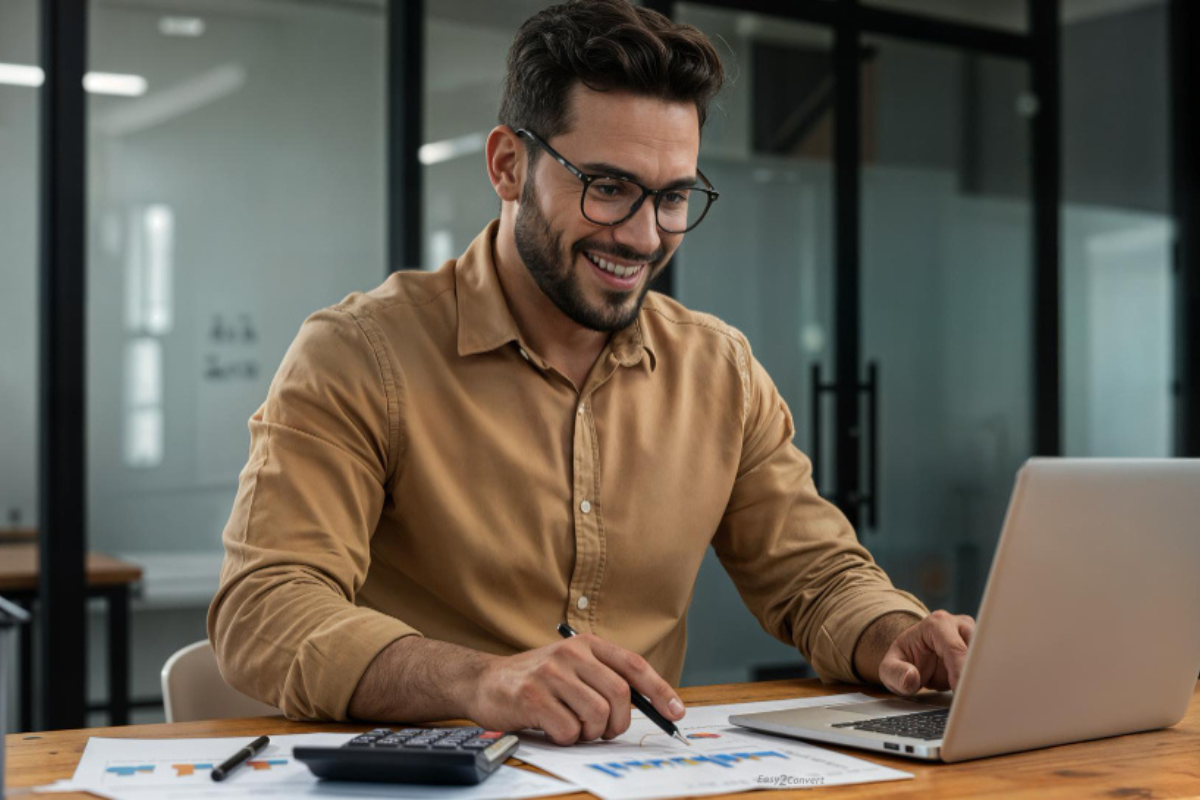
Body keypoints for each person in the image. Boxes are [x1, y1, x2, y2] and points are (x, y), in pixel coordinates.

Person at [208, 0, 975, 746]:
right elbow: (267, 611)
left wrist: (895, 635)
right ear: (509, 166)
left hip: (645, 775)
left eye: (673, 196)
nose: (643, 237)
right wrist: (480, 681)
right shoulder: (358, 355)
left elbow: (816, 576)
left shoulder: (719, 369)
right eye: (608, 187)